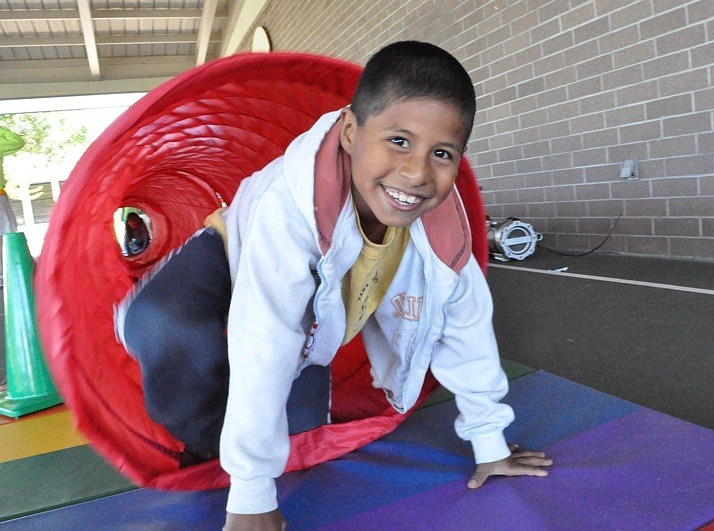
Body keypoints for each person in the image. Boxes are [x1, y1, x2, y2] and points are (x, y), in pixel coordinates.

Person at [115, 41, 552, 531]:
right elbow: (266, 337)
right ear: (349, 131)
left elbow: (465, 333)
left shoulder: (442, 240)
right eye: (399, 141)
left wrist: (489, 444)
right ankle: (190, 398)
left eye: (442, 153)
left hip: (322, 293)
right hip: (230, 247)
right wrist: (253, 492)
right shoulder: (291, 204)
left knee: (301, 435)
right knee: (168, 327)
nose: (416, 172)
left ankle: (256, 430)